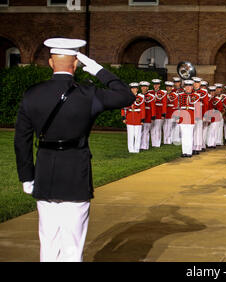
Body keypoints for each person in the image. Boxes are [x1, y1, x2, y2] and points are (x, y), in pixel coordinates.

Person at [14, 38, 135, 262]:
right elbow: (127, 95)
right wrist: (99, 70)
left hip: (44, 172)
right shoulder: (88, 94)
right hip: (75, 172)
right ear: (77, 64)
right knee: (73, 244)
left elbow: (21, 139)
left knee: (48, 242)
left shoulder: (33, 94)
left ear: (51, 63)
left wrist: (26, 176)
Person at [175, 80, 199, 157]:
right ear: (184, 87)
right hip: (182, 118)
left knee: (190, 135)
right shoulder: (180, 95)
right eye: (186, 86)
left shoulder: (196, 96)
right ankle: (184, 151)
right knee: (183, 135)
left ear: (192, 87)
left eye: (190, 86)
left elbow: (197, 108)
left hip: (191, 118)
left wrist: (196, 118)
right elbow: (178, 108)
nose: (188, 87)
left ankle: (189, 152)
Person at [122, 83, 146, 153]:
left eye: (135, 88)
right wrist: (123, 117)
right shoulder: (127, 97)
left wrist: (142, 119)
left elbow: (142, 109)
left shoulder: (141, 97)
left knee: (137, 135)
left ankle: (136, 149)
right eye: (132, 88)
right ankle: (131, 149)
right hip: (129, 118)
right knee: (130, 135)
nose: (133, 90)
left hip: (138, 118)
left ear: (137, 89)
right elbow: (123, 108)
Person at [150, 79, 167, 147]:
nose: (156, 86)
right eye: (154, 84)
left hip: (159, 113)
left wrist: (163, 113)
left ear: (159, 85)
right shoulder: (150, 92)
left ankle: (157, 143)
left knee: (158, 128)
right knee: (152, 129)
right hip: (152, 113)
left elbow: (164, 104)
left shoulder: (163, 93)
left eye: (157, 84)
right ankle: (153, 143)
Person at [139, 81, 155, 150]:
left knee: (146, 131)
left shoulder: (151, 96)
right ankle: (140, 145)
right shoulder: (138, 95)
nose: (144, 88)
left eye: (145, 87)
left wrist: (153, 115)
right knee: (140, 131)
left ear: (148, 88)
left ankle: (145, 146)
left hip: (148, 115)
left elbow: (153, 107)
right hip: (140, 115)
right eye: (142, 86)